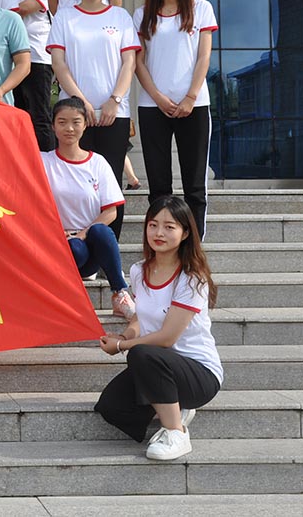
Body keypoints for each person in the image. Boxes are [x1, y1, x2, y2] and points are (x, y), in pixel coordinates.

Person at [94, 195, 222, 461]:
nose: (159, 233)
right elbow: (140, 318)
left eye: (169, 227)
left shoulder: (191, 278)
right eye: (153, 225)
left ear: (185, 233)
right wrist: (125, 335)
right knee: (111, 406)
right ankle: (174, 406)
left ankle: (176, 432)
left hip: (198, 372)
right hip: (157, 365)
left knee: (140, 354)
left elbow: (166, 338)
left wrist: (122, 346)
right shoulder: (139, 270)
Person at [47, 0, 139, 238]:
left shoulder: (120, 17)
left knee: (111, 183)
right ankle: (76, 245)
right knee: (76, 182)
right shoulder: (65, 17)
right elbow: (59, 63)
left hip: (115, 113)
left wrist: (115, 100)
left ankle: (108, 247)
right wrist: (81, 104)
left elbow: (129, 62)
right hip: (75, 116)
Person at [134, 0, 217, 238]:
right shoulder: (142, 14)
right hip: (152, 106)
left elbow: (204, 56)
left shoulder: (201, 8)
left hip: (194, 105)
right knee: (159, 185)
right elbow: (138, 62)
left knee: (194, 184)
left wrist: (191, 97)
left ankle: (192, 246)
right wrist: (157, 97)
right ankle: (160, 242)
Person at [42, 98, 136, 318]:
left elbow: (111, 211)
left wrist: (83, 233)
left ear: (85, 125)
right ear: (53, 126)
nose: (69, 128)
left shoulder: (98, 163)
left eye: (76, 122)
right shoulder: (42, 161)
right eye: (62, 122)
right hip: (58, 244)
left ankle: (120, 293)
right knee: (74, 248)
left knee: (101, 231)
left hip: (90, 243)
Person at [2, 0, 62, 150]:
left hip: (38, 58)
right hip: (14, 57)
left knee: (40, 117)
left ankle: (46, 164)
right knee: (18, 115)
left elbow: (24, 9)